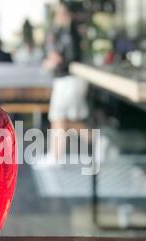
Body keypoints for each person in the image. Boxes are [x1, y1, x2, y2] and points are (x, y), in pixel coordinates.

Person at [42, 1, 89, 162]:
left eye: (62, 12)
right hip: (67, 79)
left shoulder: (70, 31)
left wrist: (53, 62)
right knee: (67, 120)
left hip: (69, 79)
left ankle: (55, 157)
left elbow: (64, 58)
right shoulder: (65, 31)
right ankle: (100, 142)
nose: (59, 15)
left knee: (58, 117)